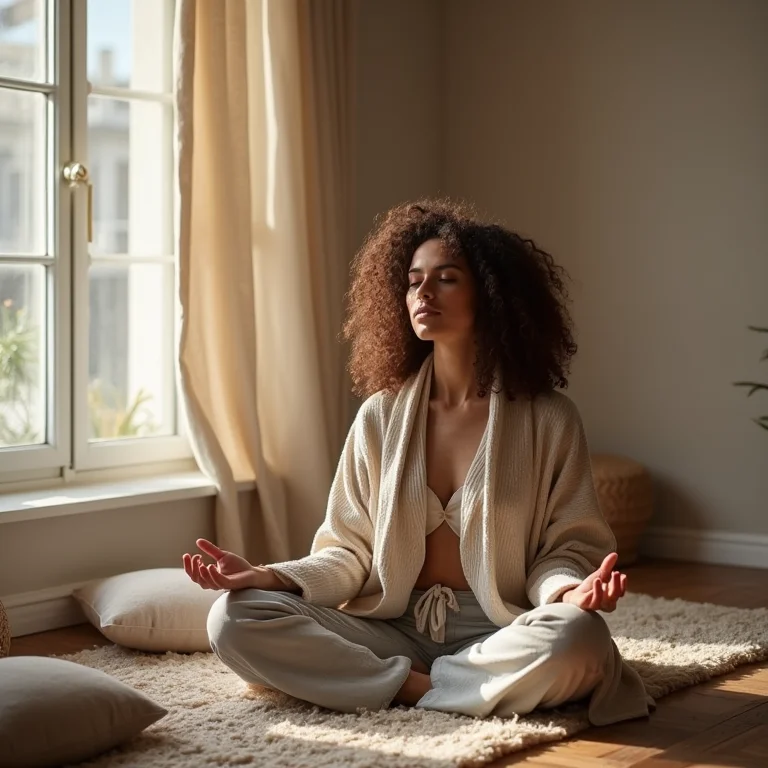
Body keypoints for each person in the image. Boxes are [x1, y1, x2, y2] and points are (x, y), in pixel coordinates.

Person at [183, 198, 655, 724]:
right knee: (233, 617)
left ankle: (388, 684)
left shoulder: (550, 418)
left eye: (446, 278)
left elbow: (565, 548)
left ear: (492, 295)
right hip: (391, 630)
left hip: (502, 630)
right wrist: (269, 577)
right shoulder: (379, 417)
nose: (423, 293)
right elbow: (349, 553)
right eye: (412, 281)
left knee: (578, 637)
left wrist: (571, 590)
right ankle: (431, 688)